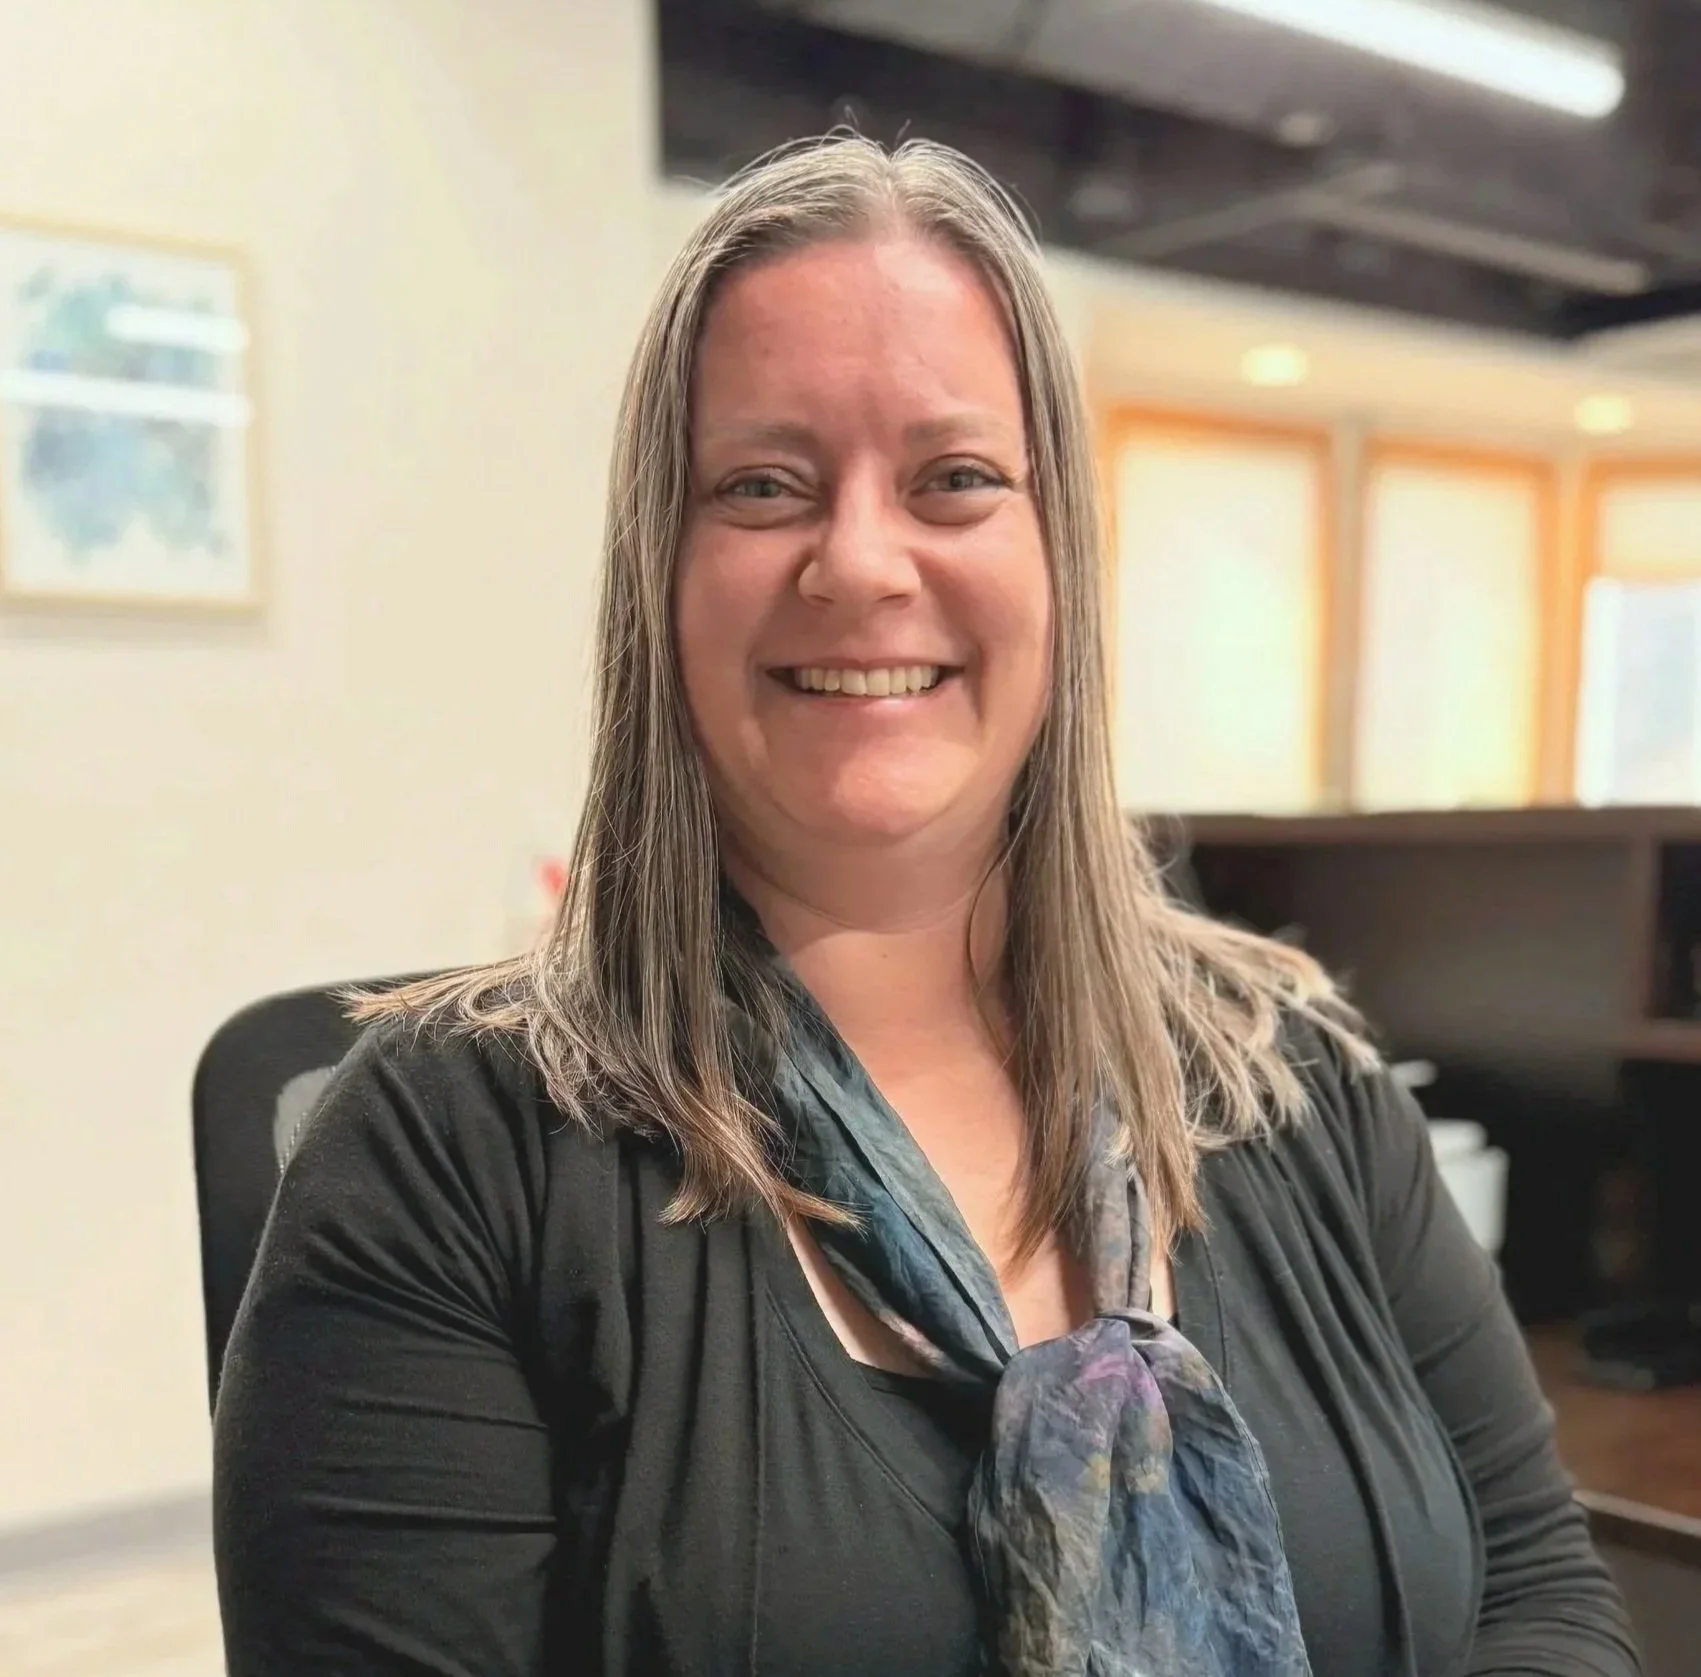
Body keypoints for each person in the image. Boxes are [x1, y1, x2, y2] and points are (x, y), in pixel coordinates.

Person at [212, 135, 1639, 1677]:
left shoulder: (1292, 1072)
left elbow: (1540, 1595)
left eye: (955, 479)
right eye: (764, 486)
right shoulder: (443, 1154)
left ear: (1056, 556)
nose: (861, 562)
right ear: (658, 574)